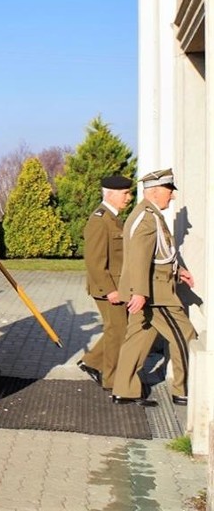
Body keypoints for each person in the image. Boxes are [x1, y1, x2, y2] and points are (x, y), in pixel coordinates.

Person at [111, 169, 198, 407]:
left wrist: (178, 271)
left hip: (150, 291)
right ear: (156, 191)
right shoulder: (147, 217)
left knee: (137, 340)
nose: (172, 196)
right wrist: (140, 292)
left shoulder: (149, 215)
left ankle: (124, 390)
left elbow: (159, 253)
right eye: (169, 191)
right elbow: (139, 257)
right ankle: (183, 390)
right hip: (156, 295)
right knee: (186, 337)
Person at [77, 175, 134, 391]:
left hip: (116, 286)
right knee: (118, 331)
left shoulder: (112, 218)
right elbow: (94, 262)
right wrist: (110, 290)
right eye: (124, 193)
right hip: (108, 288)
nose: (128, 198)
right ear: (110, 194)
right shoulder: (99, 220)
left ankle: (91, 362)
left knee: (116, 329)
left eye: (128, 193)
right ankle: (111, 380)